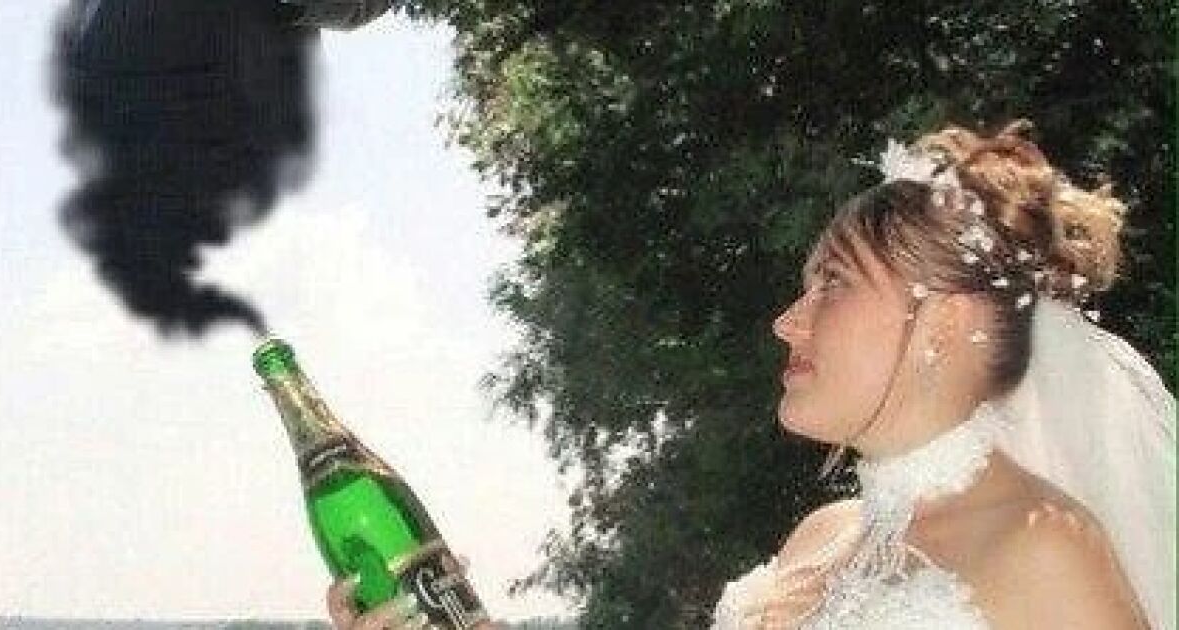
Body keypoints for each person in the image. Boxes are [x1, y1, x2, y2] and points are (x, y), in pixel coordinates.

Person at [322, 121, 1176, 629]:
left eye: (833, 284)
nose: (787, 320)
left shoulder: (1039, 545)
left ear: (943, 325)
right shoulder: (820, 538)